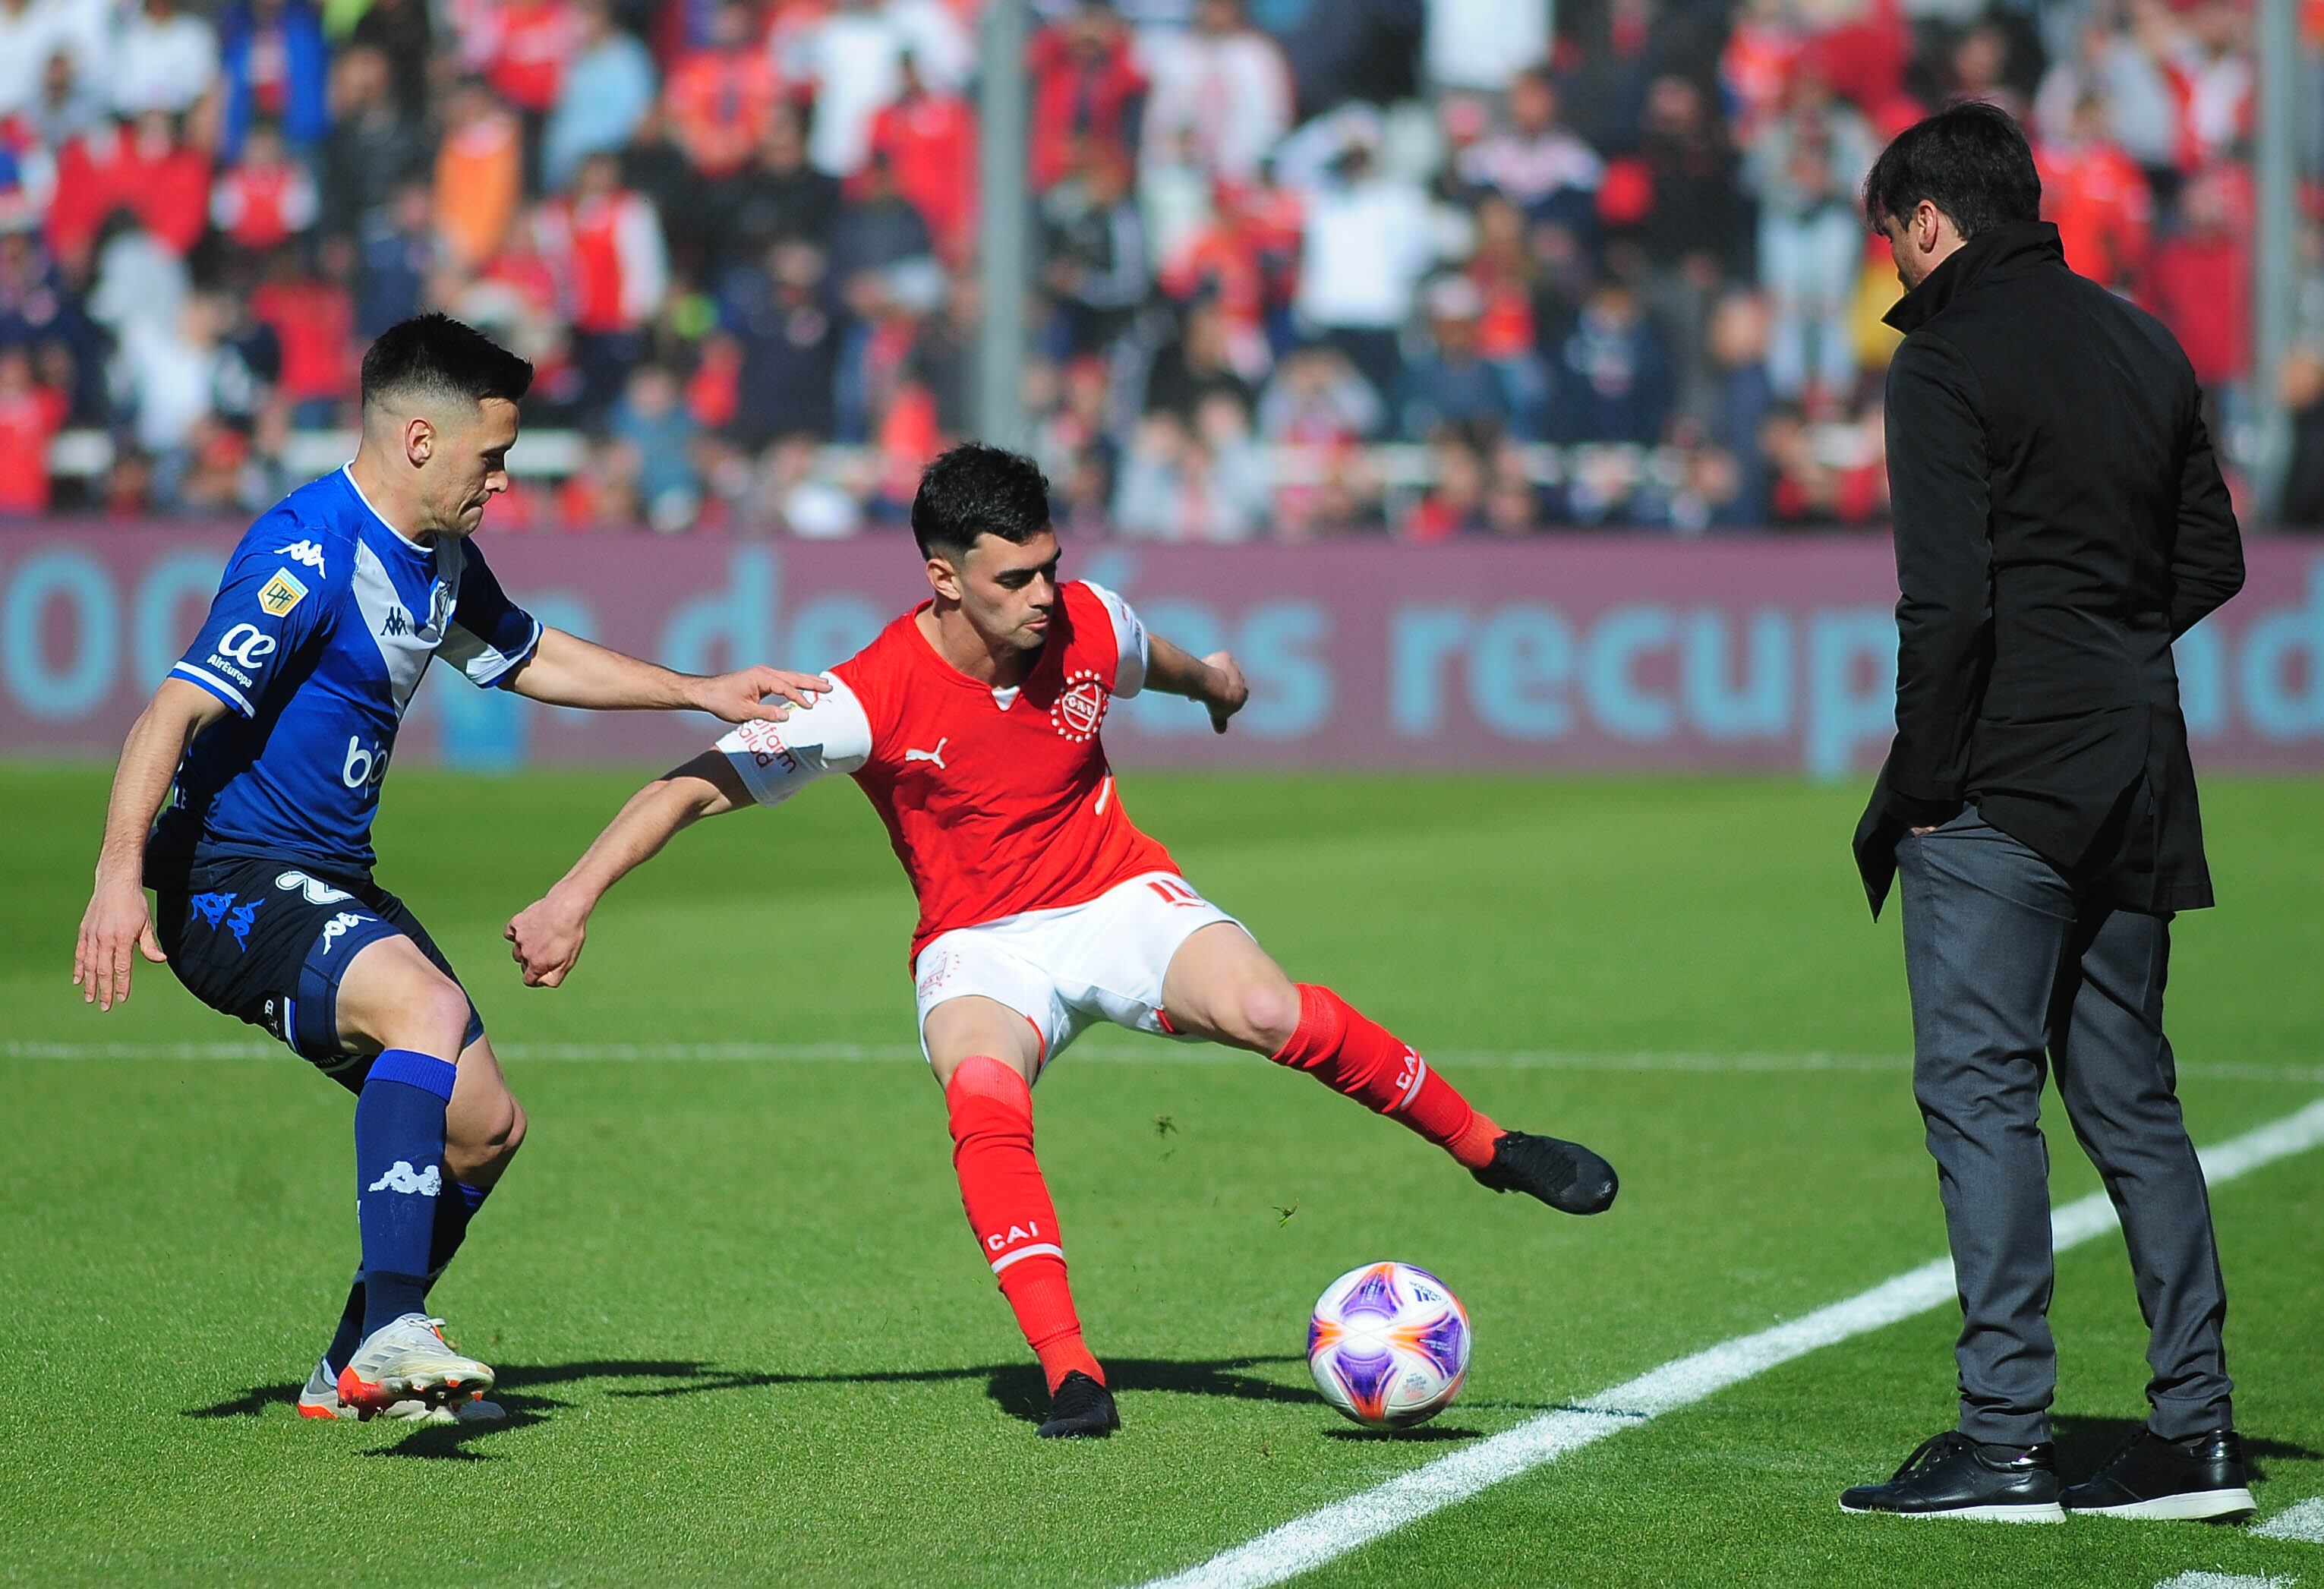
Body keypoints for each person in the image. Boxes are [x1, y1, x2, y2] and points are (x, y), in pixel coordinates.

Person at [504, 443, 1620, 1439]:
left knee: (1269, 1009)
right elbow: (692, 789)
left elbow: (1161, 658)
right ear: (943, 576)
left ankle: (1489, 1147)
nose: (1045, 594)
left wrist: (1215, 681)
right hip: (979, 940)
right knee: (981, 1091)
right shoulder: (867, 696)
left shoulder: (1083, 619)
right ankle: (1070, 1366)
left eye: (1049, 564)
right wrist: (572, 895)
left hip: (1113, 893)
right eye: (1014, 577)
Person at [71, 314, 823, 1425]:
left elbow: (531, 653)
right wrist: (114, 873)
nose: (505, 480)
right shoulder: (305, 552)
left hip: (329, 876)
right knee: (422, 1007)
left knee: (486, 1126)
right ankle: (394, 1324)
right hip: (225, 879)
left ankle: (346, 1368)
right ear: (420, 438)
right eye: (493, 457)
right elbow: (171, 708)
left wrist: (699, 689)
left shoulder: (439, 556)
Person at [1840, 104, 2247, 1523]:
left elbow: (1943, 605)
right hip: (2137, 755)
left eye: (1892, 233)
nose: (1893, 261)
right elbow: (2215, 554)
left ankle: (2006, 1435)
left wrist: (1920, 782)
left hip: (2004, 779)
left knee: (1977, 1095)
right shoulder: (2141, 340)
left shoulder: (1942, 358)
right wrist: (2101, 641)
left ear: (1931, 220)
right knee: (2130, 1098)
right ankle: (2193, 1433)